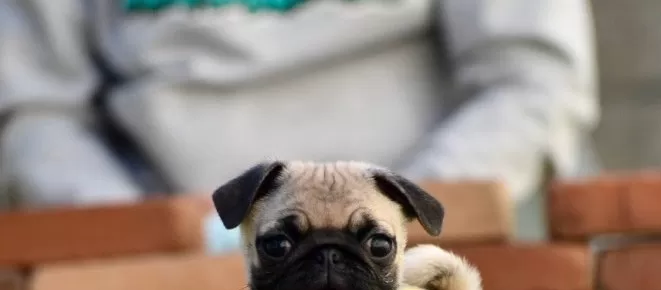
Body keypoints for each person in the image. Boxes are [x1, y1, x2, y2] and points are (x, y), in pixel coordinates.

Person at [0, 0, 599, 241]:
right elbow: (38, 118)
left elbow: (533, 86)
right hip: (168, 283)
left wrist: (386, 225)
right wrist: (156, 243)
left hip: (431, 265)